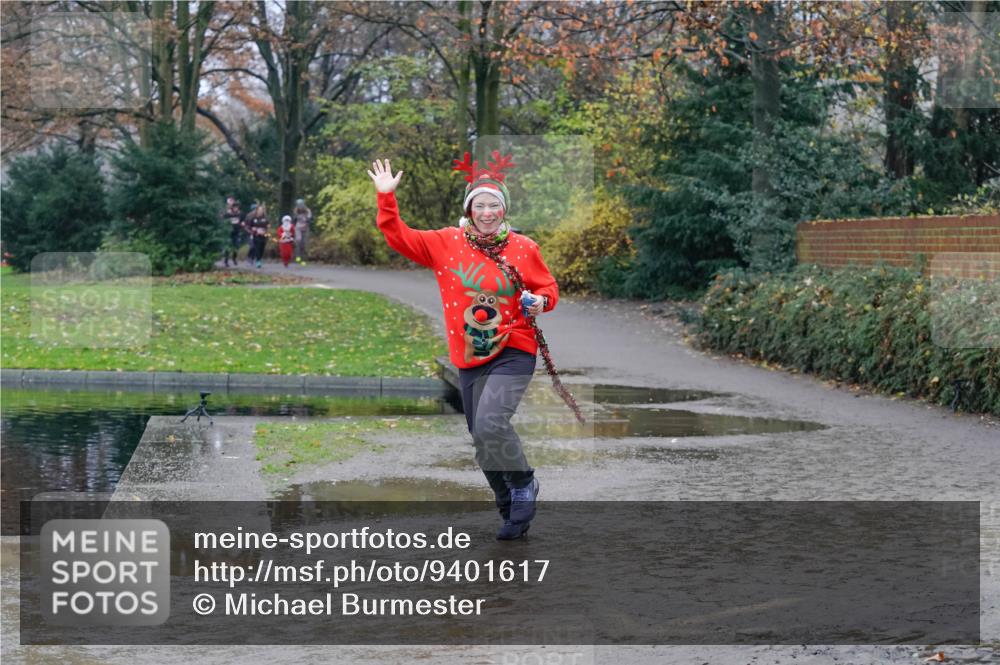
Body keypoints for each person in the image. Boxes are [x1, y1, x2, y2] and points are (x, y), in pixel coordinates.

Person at [368, 154, 562, 540]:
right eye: (480, 204)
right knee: (481, 437)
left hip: (515, 345)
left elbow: (548, 289)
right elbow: (398, 236)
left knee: (492, 423)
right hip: (470, 353)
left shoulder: (524, 248)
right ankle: (508, 506)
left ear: (504, 209)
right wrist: (386, 198)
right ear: (469, 208)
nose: (487, 212)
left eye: (494, 205)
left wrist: (540, 302)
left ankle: (524, 483)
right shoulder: (444, 243)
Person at [245, 202, 270, 269]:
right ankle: (258, 261)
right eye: (259, 210)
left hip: (264, 236)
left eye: (261, 210)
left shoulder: (265, 218)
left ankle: (259, 259)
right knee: (257, 248)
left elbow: (268, 226)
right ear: (257, 211)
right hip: (256, 236)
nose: (260, 212)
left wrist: (267, 228)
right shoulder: (253, 218)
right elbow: (248, 226)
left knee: (262, 248)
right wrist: (252, 229)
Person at [221, 197, 244, 267]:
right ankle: (226, 261)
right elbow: (222, 219)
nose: (236, 209)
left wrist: (242, 223)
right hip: (228, 233)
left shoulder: (240, 214)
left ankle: (234, 258)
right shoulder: (228, 214)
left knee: (236, 246)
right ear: (232, 208)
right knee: (227, 247)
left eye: (237, 207)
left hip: (236, 232)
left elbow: (242, 221)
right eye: (235, 207)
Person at [292, 198, 313, 263]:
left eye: (301, 205)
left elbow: (310, 219)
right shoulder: (296, 211)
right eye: (299, 206)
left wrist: (307, 221)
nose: (300, 207)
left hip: (305, 228)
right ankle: (297, 256)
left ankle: (302, 256)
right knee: (298, 240)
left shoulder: (308, 211)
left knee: (303, 243)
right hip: (298, 228)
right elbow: (294, 220)